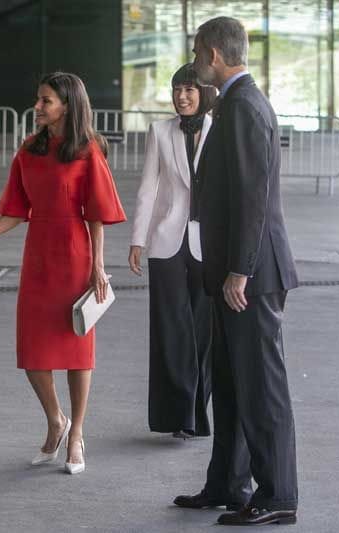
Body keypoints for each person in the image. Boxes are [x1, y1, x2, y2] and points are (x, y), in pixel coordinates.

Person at [0, 72, 126, 475]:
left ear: (66, 105)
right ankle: (56, 420)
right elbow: (16, 210)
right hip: (38, 257)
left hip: (75, 253)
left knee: (77, 350)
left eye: (46, 101)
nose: (38, 106)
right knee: (34, 352)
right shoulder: (27, 150)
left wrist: (98, 267)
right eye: (38, 99)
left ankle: (77, 433)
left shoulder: (88, 151)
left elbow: (97, 216)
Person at [173, 17, 299, 526]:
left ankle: (277, 496)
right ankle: (228, 483)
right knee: (228, 381)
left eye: (198, 51)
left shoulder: (244, 106)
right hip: (234, 271)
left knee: (260, 386)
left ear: (215, 53)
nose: (196, 59)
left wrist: (239, 273)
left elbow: (252, 198)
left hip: (252, 276)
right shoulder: (233, 102)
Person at [129, 63, 216, 440]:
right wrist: (138, 239)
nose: (181, 96)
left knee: (204, 330)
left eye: (190, 90)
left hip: (210, 244)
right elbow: (148, 188)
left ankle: (196, 413)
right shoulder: (159, 131)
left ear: (204, 93)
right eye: (177, 89)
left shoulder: (221, 130)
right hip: (166, 241)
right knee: (170, 328)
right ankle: (176, 414)